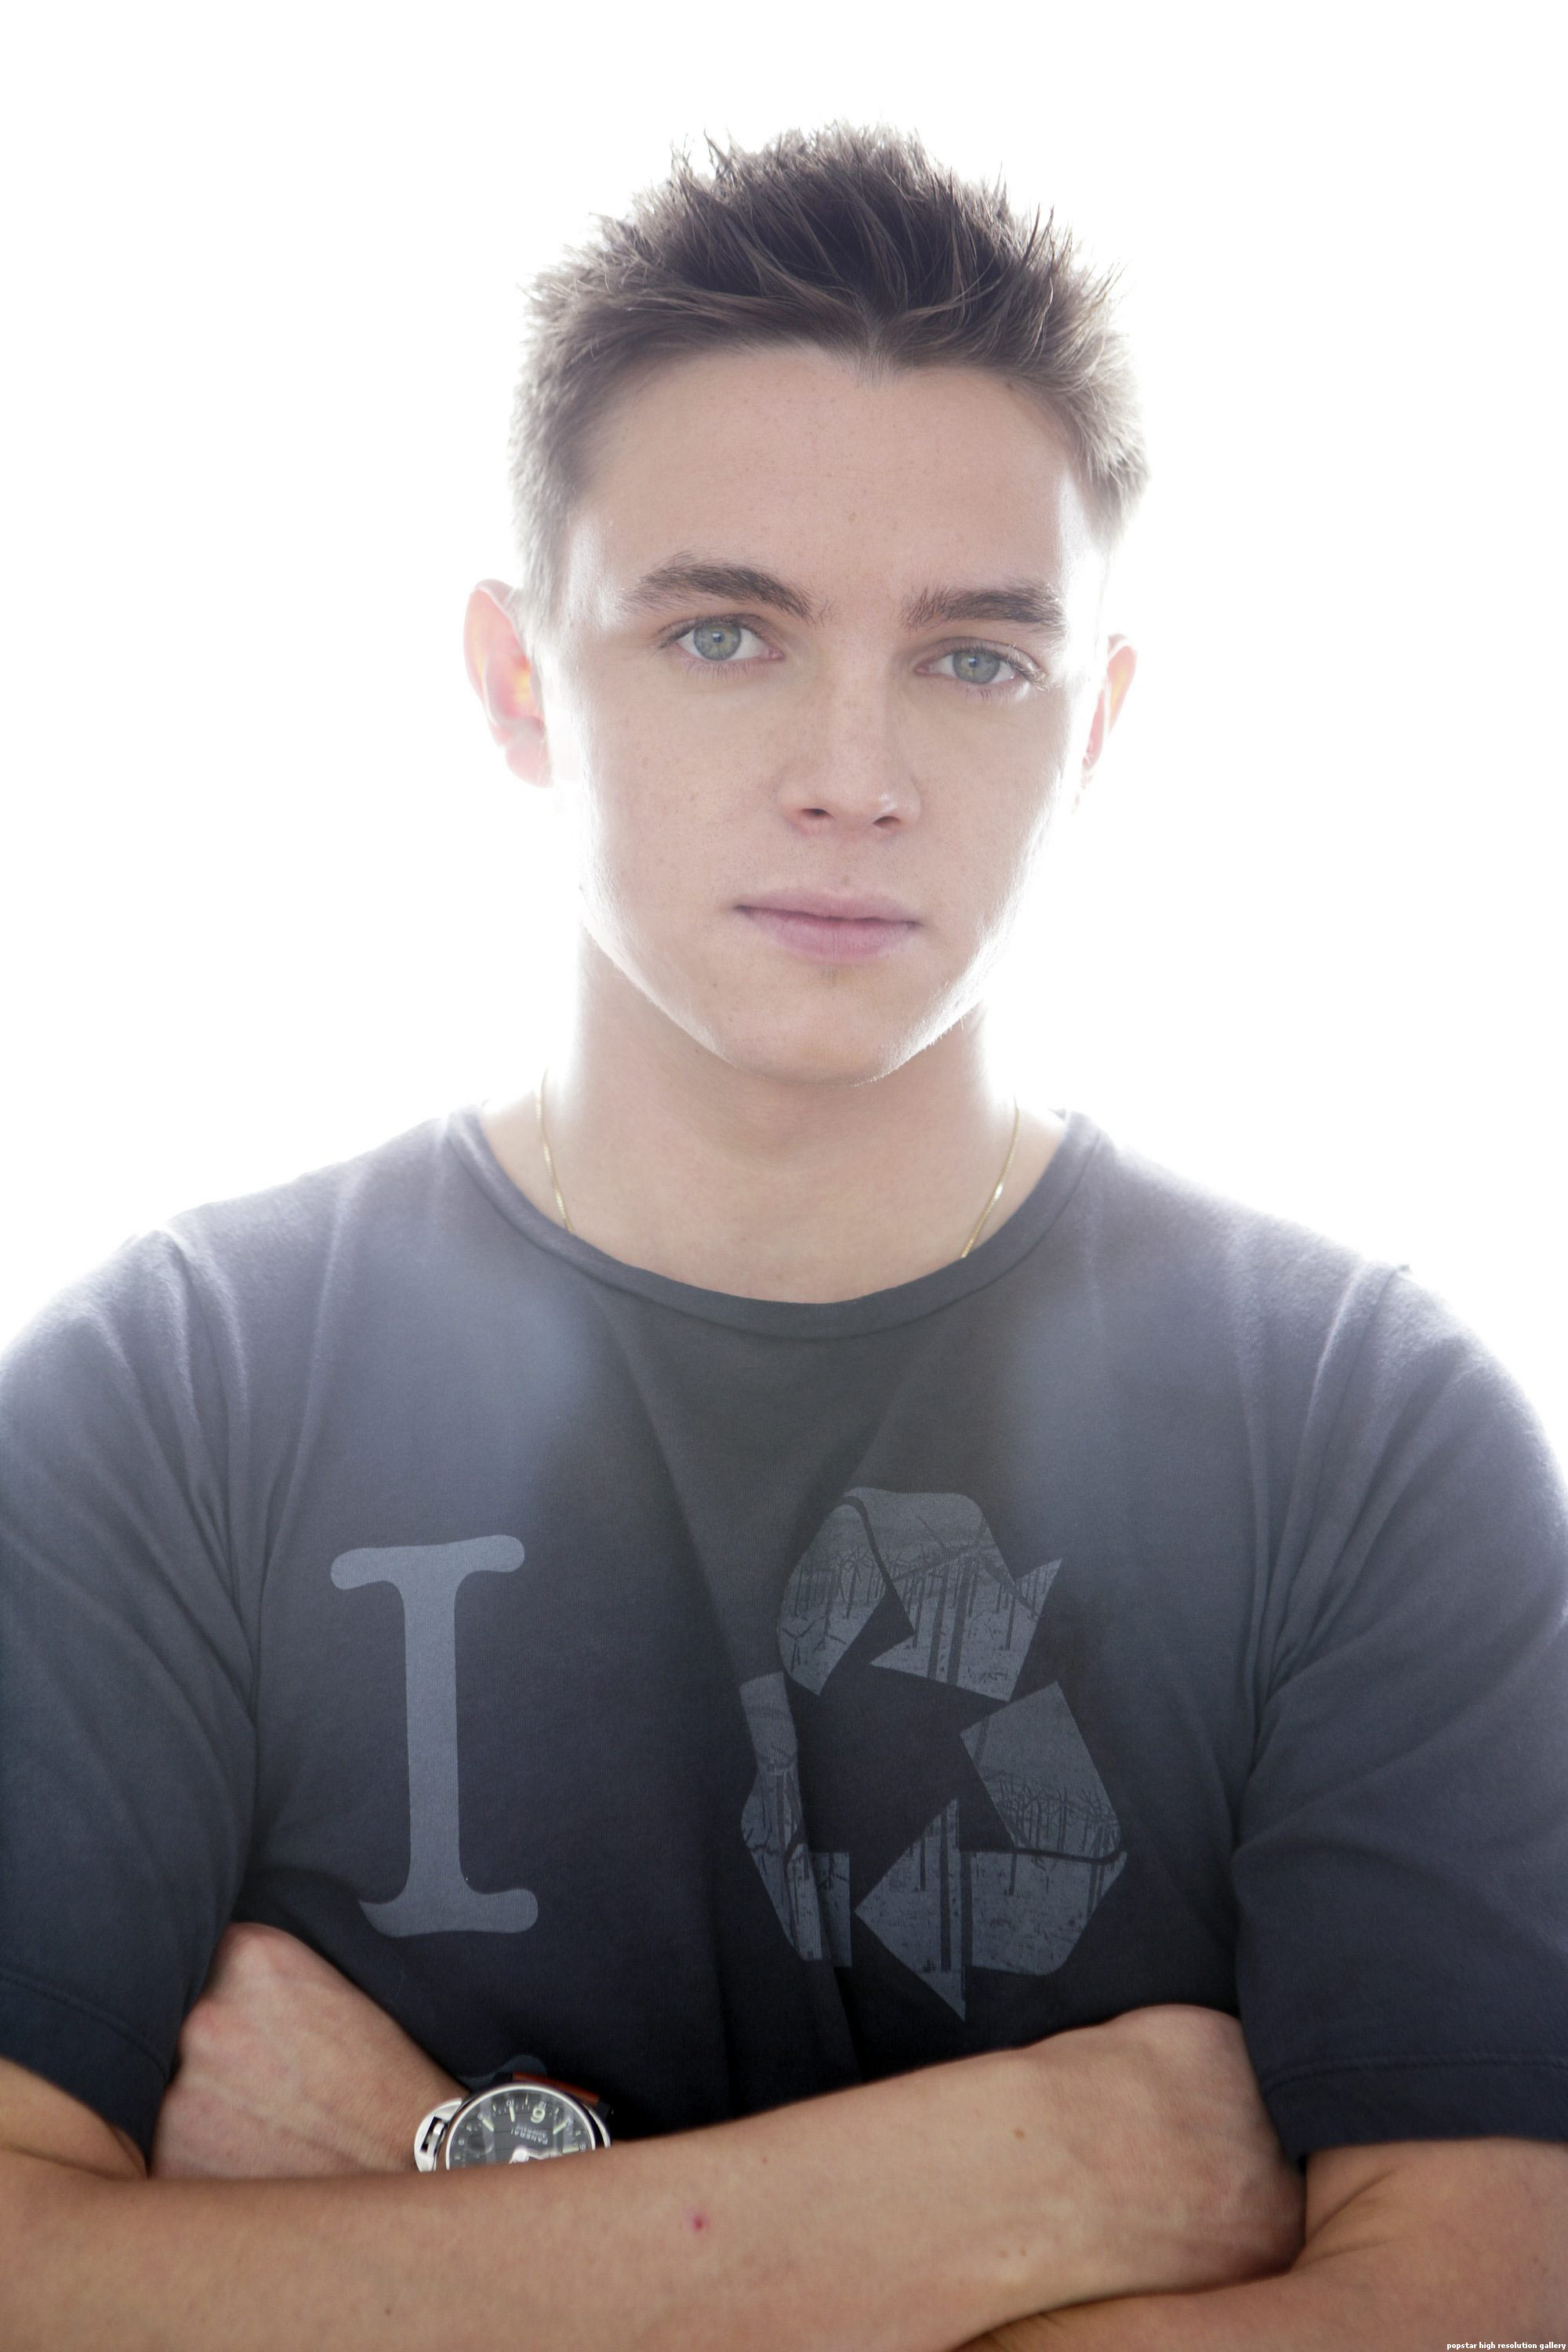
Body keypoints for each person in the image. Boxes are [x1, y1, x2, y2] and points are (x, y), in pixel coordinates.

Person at [2, 121, 1565, 2350]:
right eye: (724, 633)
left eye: (977, 660)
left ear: (1098, 722)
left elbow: (1487, 2317)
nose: (855, 772)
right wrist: (1017, 2188)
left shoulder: (1367, 1430)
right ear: (519, 682)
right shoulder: (172, 1397)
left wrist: (439, 2189)